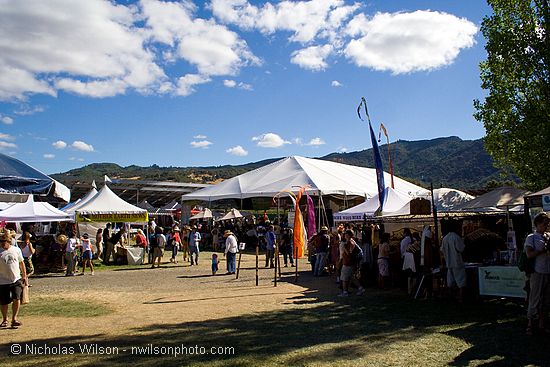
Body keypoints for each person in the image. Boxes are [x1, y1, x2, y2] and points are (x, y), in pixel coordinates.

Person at [525, 212, 550, 335]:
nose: (546, 226)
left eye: (547, 224)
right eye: (544, 224)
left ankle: (541, 324)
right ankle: (530, 324)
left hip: (548, 272)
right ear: (537, 224)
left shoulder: (548, 236)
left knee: (546, 300)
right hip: (537, 271)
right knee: (534, 298)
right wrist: (543, 250)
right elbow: (529, 254)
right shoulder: (531, 237)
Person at [0, 230, 27, 328]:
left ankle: (14, 319)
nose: (2, 244)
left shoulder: (16, 250)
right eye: (0, 242)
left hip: (16, 278)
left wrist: (24, 276)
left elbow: (21, 263)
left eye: (4, 241)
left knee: (17, 298)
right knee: (4, 301)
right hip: (2, 280)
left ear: (9, 241)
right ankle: (5, 319)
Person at [440, 221, 466, 302]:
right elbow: (461, 248)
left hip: (449, 262)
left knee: (450, 280)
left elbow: (441, 249)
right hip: (457, 262)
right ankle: (461, 298)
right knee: (461, 280)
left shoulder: (445, 238)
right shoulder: (456, 237)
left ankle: (451, 297)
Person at [338, 230, 365, 297]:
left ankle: (345, 292)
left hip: (348, 262)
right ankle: (359, 288)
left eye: (346, 234)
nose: (345, 235)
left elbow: (349, 253)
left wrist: (344, 248)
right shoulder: (351, 241)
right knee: (351, 277)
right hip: (349, 262)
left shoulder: (350, 242)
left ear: (349, 235)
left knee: (345, 278)